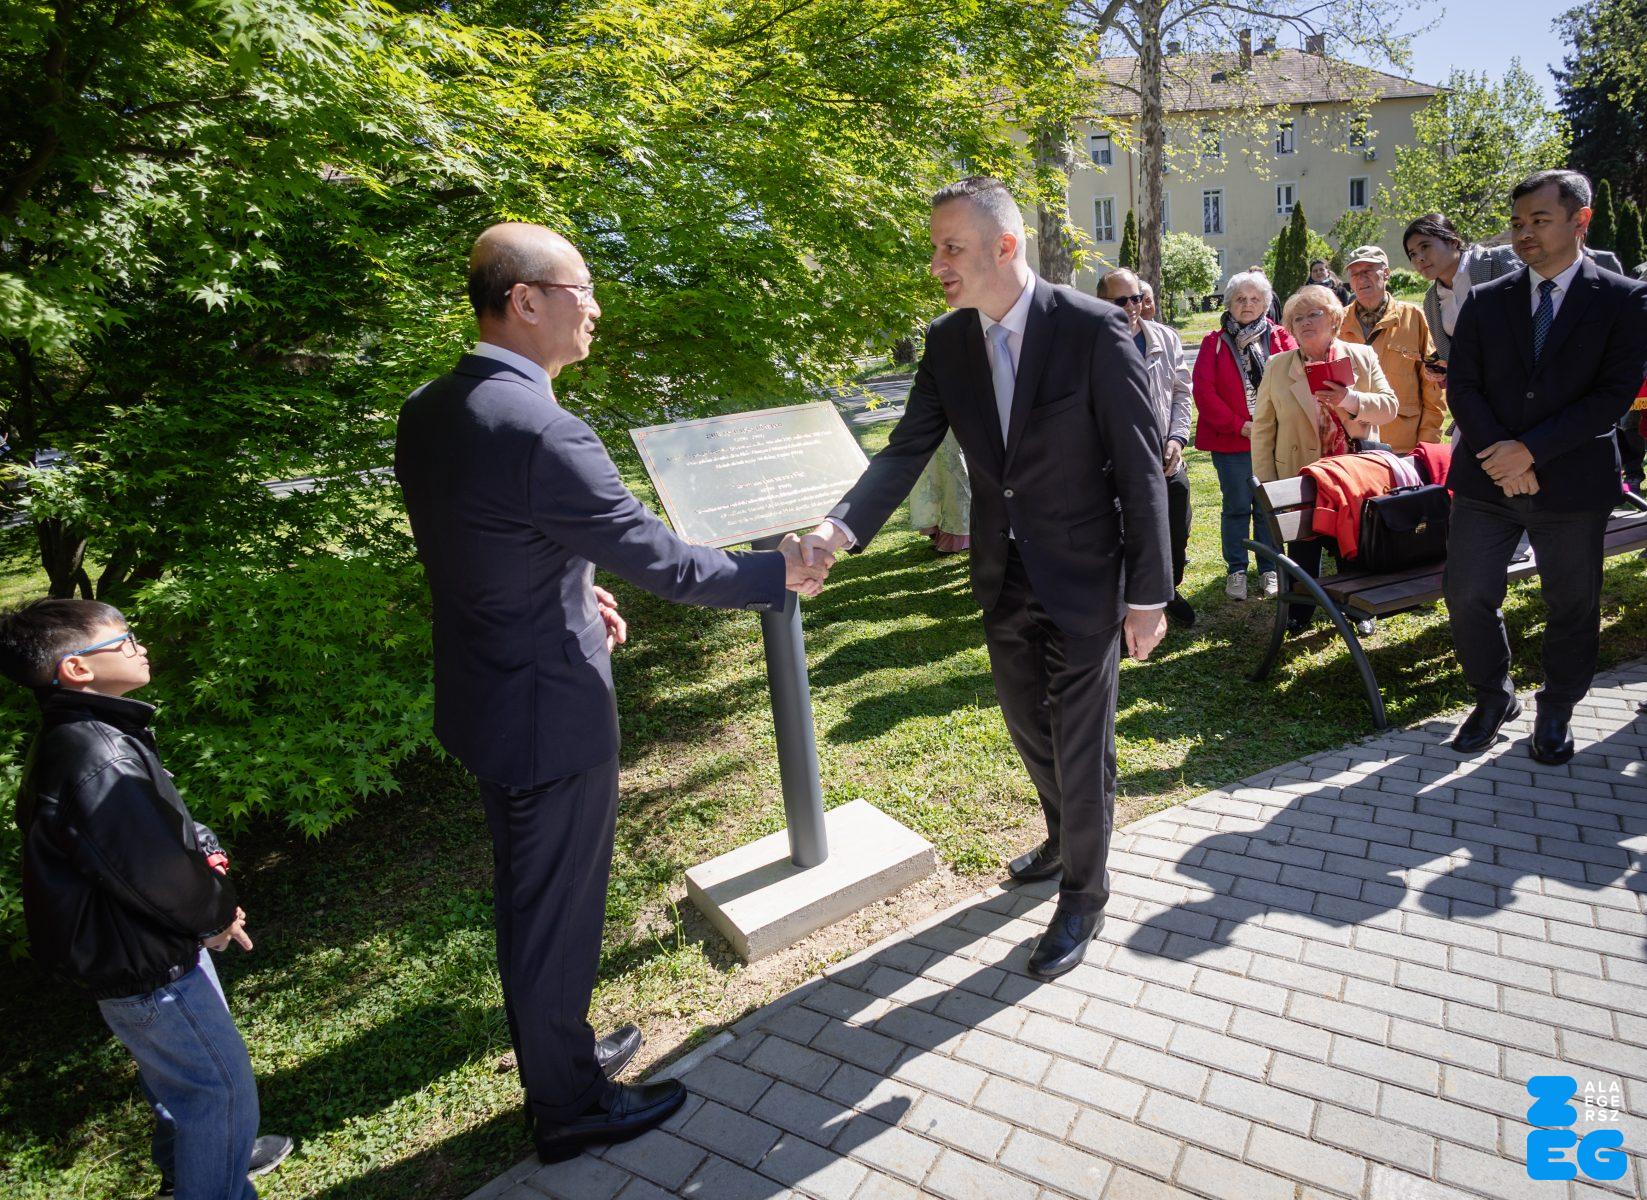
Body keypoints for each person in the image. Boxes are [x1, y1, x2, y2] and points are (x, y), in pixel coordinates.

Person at [394, 223, 830, 1161]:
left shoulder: (430, 407)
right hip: (548, 712)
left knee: (530, 900)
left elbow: (479, 540)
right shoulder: (543, 428)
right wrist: (777, 573)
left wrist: (567, 588)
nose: (595, 307)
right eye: (580, 289)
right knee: (553, 914)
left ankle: (560, 1052)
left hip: (485, 694)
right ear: (524, 301)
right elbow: (666, 563)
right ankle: (569, 1105)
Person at [799, 177, 1170, 980]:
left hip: (1086, 575)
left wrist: (1148, 594)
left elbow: (1140, 468)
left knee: (1080, 744)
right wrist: (837, 529)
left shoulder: (1094, 329)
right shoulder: (947, 342)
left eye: (951, 247)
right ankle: (1062, 835)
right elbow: (906, 447)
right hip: (1002, 572)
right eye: (934, 248)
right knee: (1028, 727)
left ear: (1004, 246)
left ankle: (1084, 893)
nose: (936, 264)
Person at [1, 599, 292, 1200]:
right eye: (126, 639)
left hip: (137, 953)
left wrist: (204, 848)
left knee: (178, 1081)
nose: (142, 647)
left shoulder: (89, 736)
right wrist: (215, 914)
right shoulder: (98, 754)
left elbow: (153, 830)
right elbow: (153, 872)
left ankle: (187, 1167)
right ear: (77, 669)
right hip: (149, 964)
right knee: (217, 1092)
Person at [1443, 169, 1647, 763]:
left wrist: (1530, 451)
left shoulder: (1624, 299)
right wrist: (1503, 457)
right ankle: (1493, 697)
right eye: (1516, 223)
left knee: (1572, 604)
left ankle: (1557, 707)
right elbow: (1463, 386)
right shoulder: (1485, 299)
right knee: (1467, 593)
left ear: (1581, 220)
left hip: (1573, 484)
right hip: (1486, 481)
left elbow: (1611, 397)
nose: (1523, 234)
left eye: (1539, 220)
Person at [1251, 284, 1399, 633]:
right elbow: (1263, 429)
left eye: (1313, 314)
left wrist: (1350, 399)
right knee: (1304, 548)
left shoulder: (1361, 356)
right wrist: (1269, 487)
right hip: (1301, 475)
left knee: (1354, 544)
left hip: (1353, 473)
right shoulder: (1277, 366)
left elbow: (1389, 408)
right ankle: (1299, 613)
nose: (1305, 322)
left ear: (1333, 319)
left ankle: (1358, 610)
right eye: (1297, 318)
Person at [1192, 270, 1298, 601]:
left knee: (1268, 507)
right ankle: (1236, 569)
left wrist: (1270, 425)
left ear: (1265, 304)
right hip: (1231, 441)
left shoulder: (1281, 337)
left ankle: (1269, 568)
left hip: (1274, 439)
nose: (1247, 304)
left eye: (1254, 299)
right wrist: (1240, 425)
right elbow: (1204, 392)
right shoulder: (1213, 342)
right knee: (1237, 506)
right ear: (1229, 304)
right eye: (1240, 299)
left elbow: (1297, 380)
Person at [1098, 267, 1195, 626]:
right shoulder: (1093, 342)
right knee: (1126, 534)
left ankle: (1168, 590)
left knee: (1176, 526)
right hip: (1116, 459)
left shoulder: (1166, 338)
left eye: (1136, 298)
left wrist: (1177, 439)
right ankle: (1129, 607)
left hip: (1165, 454)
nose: (1131, 306)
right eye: (1120, 300)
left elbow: (1182, 393)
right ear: (1102, 302)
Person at [1336, 245, 1445, 453]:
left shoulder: (1413, 317)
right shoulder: (1338, 322)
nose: (1361, 278)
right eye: (1354, 273)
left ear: (1386, 273)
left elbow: (1433, 387)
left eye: (1368, 270)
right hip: (1352, 446)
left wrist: (1427, 445)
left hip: (1402, 445)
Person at [1402, 212, 1521, 366]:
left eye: (1425, 246)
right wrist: (1441, 367)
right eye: (1412, 254)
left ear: (1453, 241)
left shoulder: (1500, 260)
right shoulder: (1430, 302)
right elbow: (1453, 354)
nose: (1419, 258)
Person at [909, 429, 972, 552]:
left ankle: (957, 534)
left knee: (953, 469)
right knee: (932, 470)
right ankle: (938, 528)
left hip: (953, 424)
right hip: (928, 427)